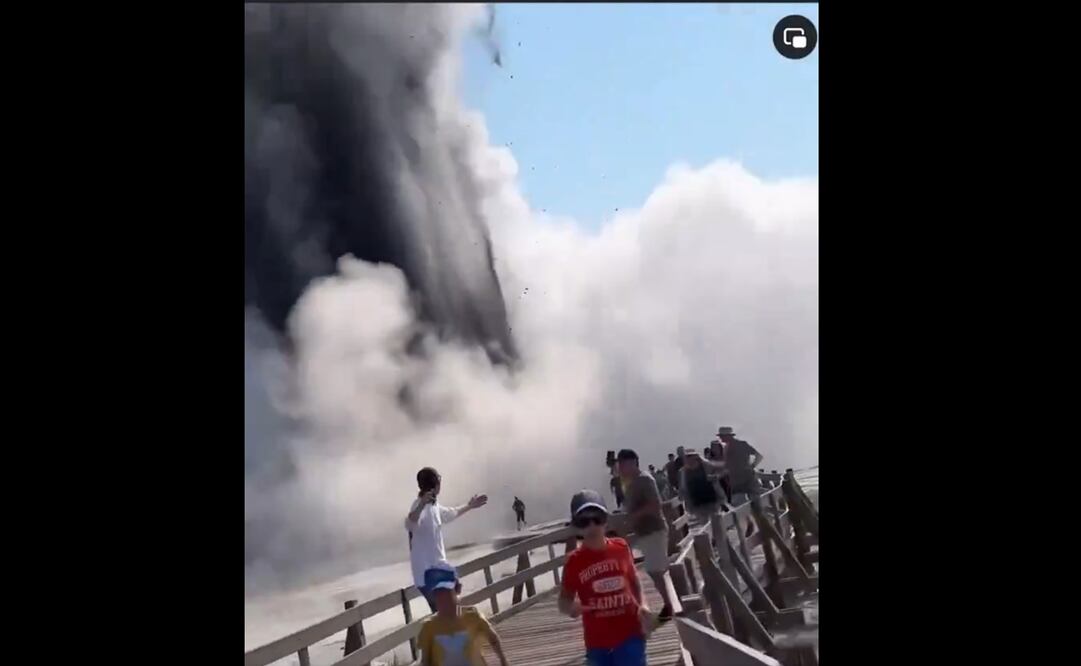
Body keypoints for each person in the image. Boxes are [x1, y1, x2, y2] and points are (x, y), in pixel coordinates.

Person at [559, 489, 654, 666]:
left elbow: (633, 580)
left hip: (630, 635)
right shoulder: (573, 562)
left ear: (606, 521)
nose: (592, 526)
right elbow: (563, 601)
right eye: (584, 521)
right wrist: (571, 607)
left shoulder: (621, 547)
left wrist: (644, 604)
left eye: (598, 519)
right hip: (597, 643)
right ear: (576, 526)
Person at [405, 467, 489, 612]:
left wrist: (469, 506)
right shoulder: (419, 505)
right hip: (427, 573)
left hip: (438, 569)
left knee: (447, 610)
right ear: (436, 483)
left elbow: (450, 513)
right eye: (439, 479)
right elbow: (411, 521)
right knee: (446, 612)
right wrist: (421, 505)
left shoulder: (433, 506)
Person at [616, 449, 675, 623]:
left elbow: (655, 505)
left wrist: (634, 516)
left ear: (633, 462)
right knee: (656, 570)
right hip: (644, 532)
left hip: (654, 529)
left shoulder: (645, 480)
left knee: (656, 570)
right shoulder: (631, 482)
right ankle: (670, 603)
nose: (620, 468)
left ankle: (671, 605)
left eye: (622, 464)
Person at [417, 561, 510, 666]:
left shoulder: (473, 616)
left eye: (447, 595)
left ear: (458, 590)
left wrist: (503, 659)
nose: (443, 600)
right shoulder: (429, 627)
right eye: (438, 595)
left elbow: (493, 639)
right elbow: (425, 660)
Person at [717, 427, 764, 505]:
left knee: (752, 502)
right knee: (741, 503)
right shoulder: (726, 448)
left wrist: (752, 466)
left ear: (728, 436)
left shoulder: (741, 445)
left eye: (721, 436)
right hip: (736, 481)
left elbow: (759, 456)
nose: (720, 438)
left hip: (746, 480)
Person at [679, 450, 726, 521]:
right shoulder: (683, 472)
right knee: (705, 523)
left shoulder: (706, 465)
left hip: (712, 500)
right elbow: (682, 487)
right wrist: (682, 496)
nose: (689, 459)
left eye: (691, 456)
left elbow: (724, 468)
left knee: (716, 521)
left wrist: (716, 476)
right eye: (687, 457)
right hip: (696, 504)